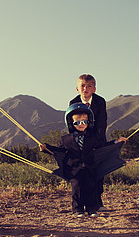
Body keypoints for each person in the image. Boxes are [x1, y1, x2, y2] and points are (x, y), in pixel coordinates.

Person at [40, 103, 126, 217]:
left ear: (89, 122)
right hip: (73, 170)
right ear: (71, 123)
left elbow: (103, 147)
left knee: (91, 188)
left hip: (90, 168)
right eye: (77, 122)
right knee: (77, 189)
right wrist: (46, 148)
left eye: (84, 121)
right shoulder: (66, 139)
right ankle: (78, 210)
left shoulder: (93, 137)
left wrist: (116, 142)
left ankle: (92, 209)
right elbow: (59, 151)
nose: (81, 124)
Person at [68, 74, 109, 210]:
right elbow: (71, 125)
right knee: (82, 174)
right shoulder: (73, 102)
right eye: (83, 86)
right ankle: (82, 203)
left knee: (98, 172)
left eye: (89, 86)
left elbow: (102, 123)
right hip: (81, 142)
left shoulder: (100, 101)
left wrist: (96, 142)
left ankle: (97, 202)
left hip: (97, 141)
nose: (86, 89)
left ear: (94, 89)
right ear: (77, 88)